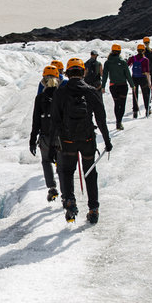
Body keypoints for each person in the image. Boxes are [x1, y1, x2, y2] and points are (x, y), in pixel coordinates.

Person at [54, 60, 112, 225]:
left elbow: (55, 120)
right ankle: (93, 209)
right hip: (87, 140)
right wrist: (107, 140)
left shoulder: (61, 92)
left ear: (67, 73)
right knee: (90, 174)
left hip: (67, 141)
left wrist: (54, 144)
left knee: (67, 172)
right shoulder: (91, 91)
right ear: (83, 72)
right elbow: (101, 119)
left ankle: (70, 203)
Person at [27, 60, 63, 202]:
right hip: (60, 135)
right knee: (61, 163)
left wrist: (32, 140)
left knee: (46, 161)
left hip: (45, 136)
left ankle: (52, 188)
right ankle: (66, 192)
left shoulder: (40, 98)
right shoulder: (62, 95)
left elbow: (36, 121)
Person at [103, 47, 132, 125]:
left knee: (116, 103)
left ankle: (117, 121)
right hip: (123, 85)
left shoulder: (107, 62)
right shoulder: (122, 62)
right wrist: (132, 85)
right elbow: (128, 75)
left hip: (113, 86)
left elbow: (105, 75)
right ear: (119, 52)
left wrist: (103, 86)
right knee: (122, 104)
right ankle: (119, 122)